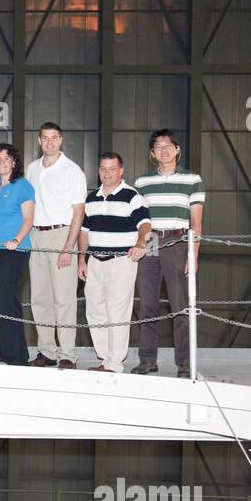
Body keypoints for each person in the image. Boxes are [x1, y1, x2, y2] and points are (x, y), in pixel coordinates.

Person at [132, 129, 205, 377]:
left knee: (180, 306)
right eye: (158, 146)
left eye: (168, 145)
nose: (163, 150)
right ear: (152, 154)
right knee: (147, 305)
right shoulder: (142, 182)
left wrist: (192, 254)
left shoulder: (192, 179)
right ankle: (147, 360)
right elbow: (140, 219)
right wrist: (140, 244)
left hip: (177, 241)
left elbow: (196, 221)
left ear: (177, 150)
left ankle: (185, 364)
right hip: (151, 241)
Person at [77, 152, 151, 373]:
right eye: (102, 169)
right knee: (95, 311)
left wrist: (140, 244)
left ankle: (115, 363)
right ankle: (104, 358)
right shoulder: (92, 198)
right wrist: (82, 258)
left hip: (121, 262)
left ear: (121, 171)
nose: (106, 173)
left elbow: (146, 225)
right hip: (95, 262)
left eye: (111, 169)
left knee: (117, 312)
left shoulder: (132, 196)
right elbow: (84, 231)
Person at [25, 122, 87, 370]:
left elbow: (79, 212)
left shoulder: (72, 171)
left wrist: (68, 247)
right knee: (39, 298)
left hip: (62, 235)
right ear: (39, 141)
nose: (49, 142)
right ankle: (47, 351)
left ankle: (68, 354)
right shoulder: (32, 169)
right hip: (36, 236)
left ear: (61, 140)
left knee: (64, 299)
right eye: (45, 138)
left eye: (54, 138)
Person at [0, 144, 35, 365]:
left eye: (7, 158)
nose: (2, 161)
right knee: (0, 303)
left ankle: (18, 358)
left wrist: (16, 240)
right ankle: (8, 355)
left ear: (15, 162)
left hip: (15, 250)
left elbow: (28, 219)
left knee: (9, 301)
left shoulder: (23, 186)